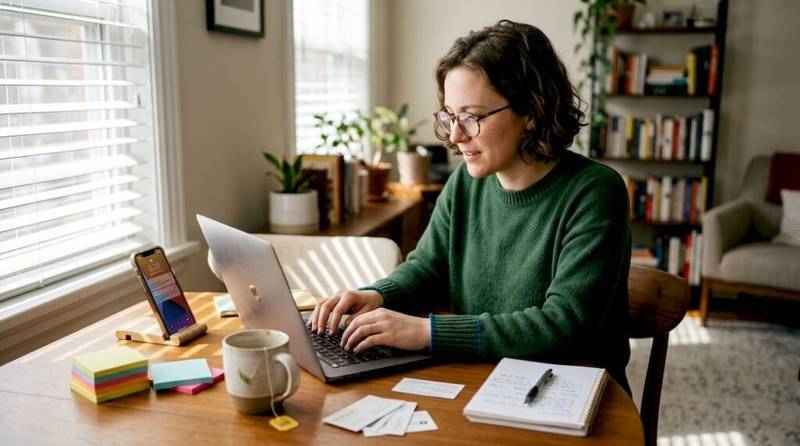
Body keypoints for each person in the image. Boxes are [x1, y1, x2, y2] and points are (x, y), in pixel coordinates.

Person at [309, 19, 632, 391]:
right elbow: (427, 267)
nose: (456, 136)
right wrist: (379, 295)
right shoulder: (465, 181)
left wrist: (427, 331)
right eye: (450, 116)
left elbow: (562, 324)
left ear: (531, 111)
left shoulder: (595, 192)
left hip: (568, 389)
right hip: (483, 378)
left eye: (472, 116)